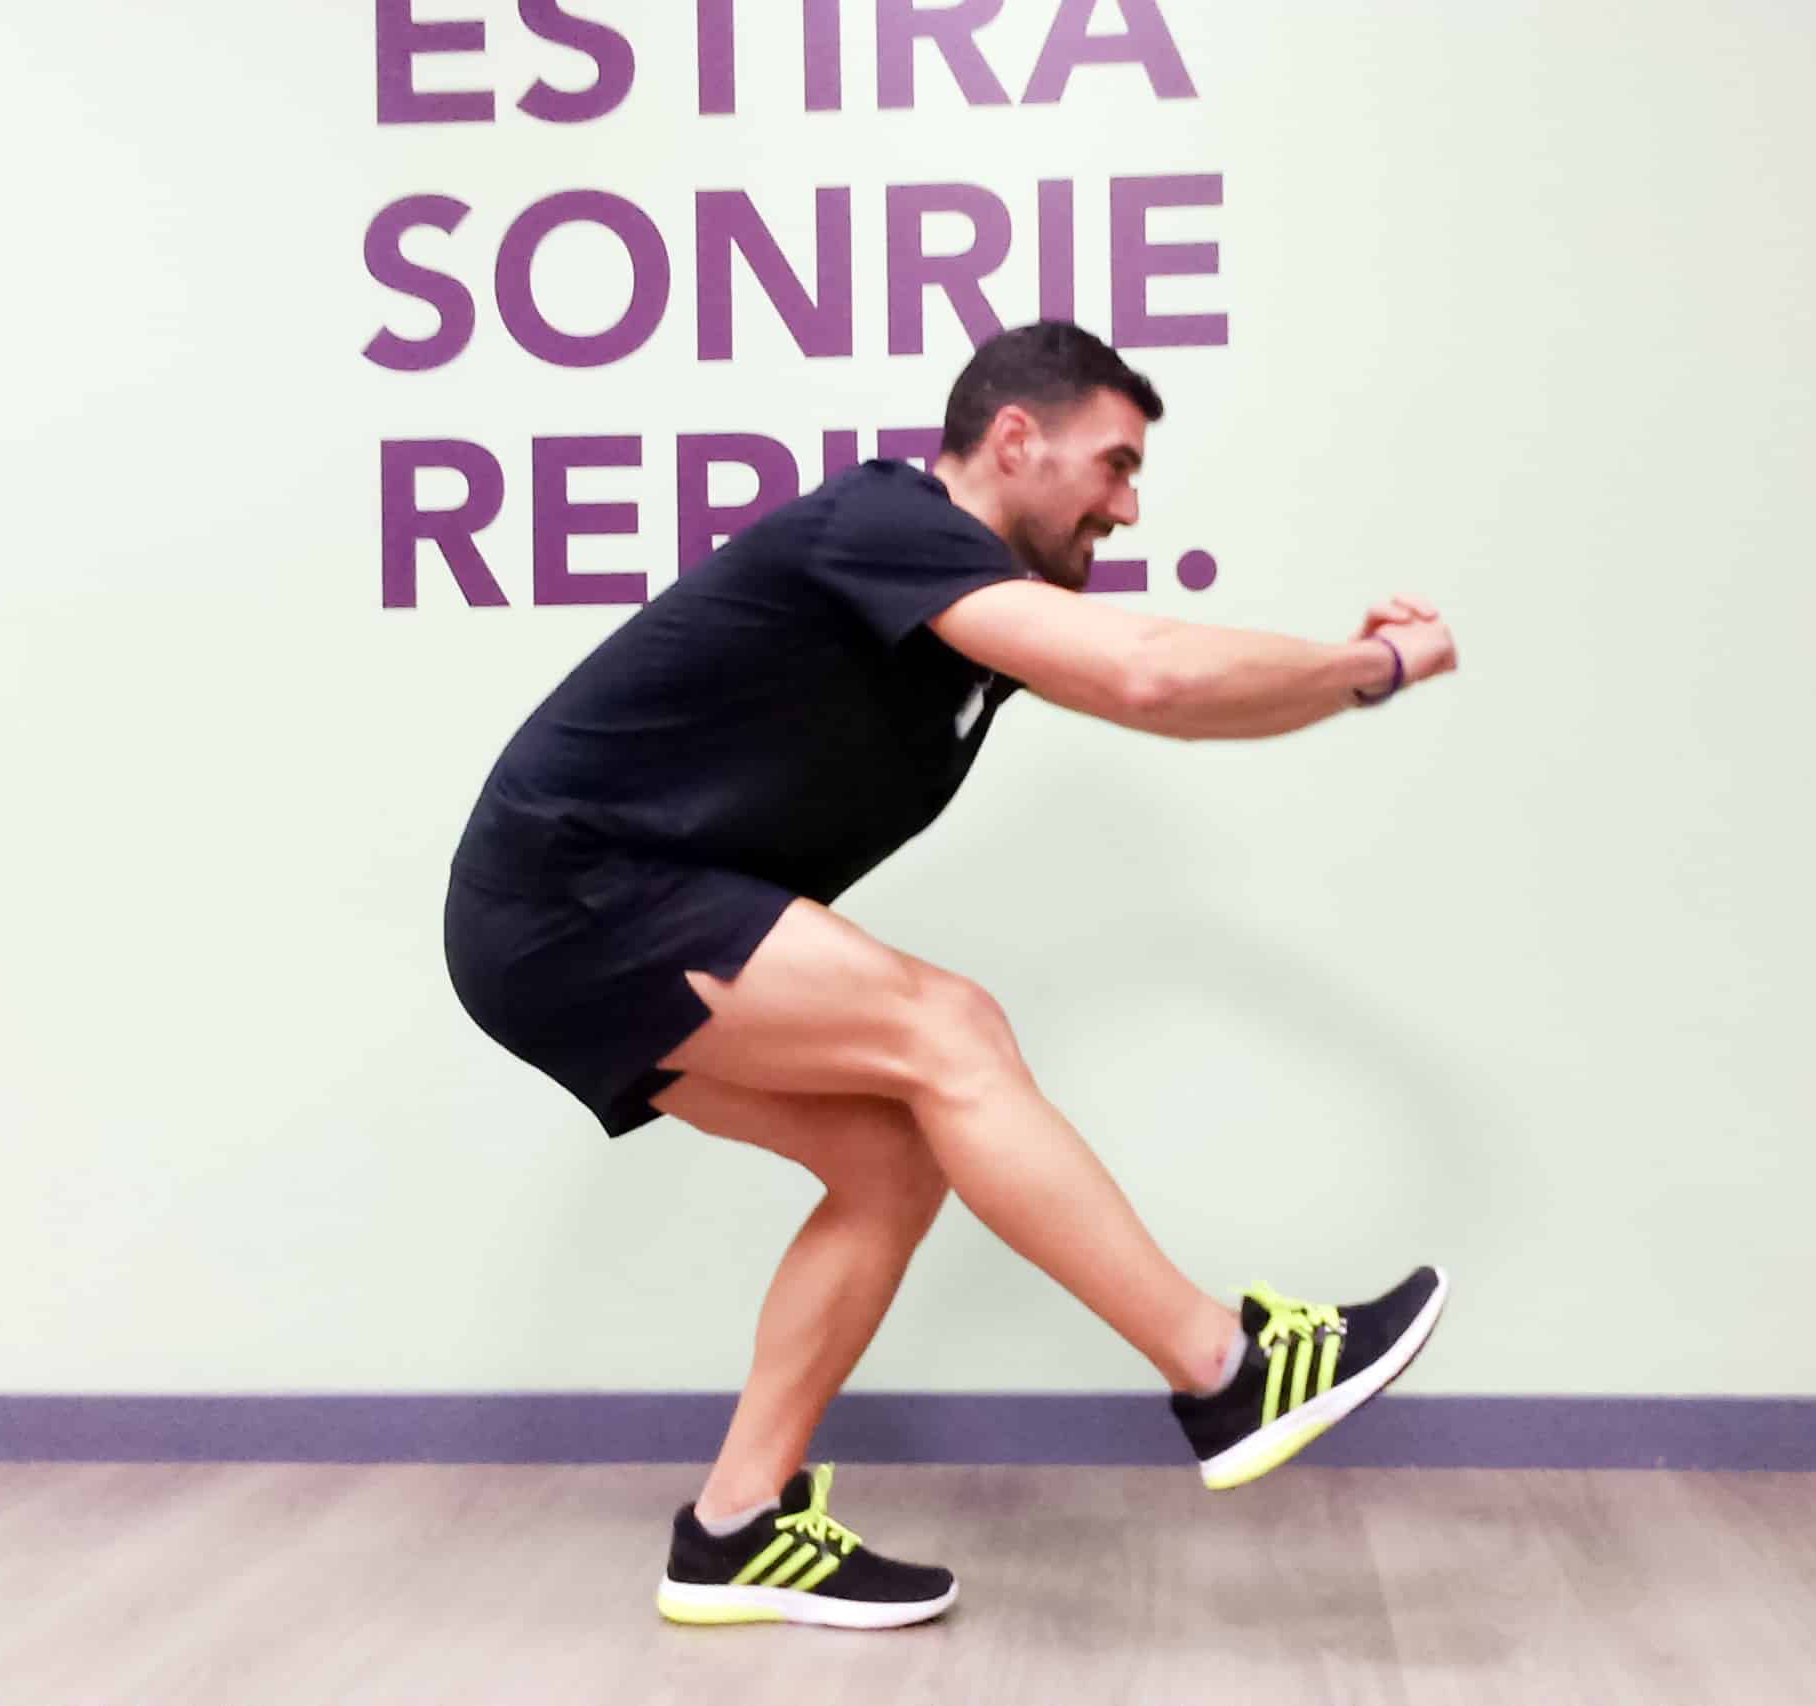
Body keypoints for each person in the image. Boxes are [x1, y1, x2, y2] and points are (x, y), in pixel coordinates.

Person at [442, 320, 1458, 1630]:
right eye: (1114, 464)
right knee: (951, 1028)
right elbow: (1149, 671)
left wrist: (1360, 680)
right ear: (1014, 439)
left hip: (572, 917)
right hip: (570, 890)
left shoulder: (966, 615)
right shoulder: (889, 521)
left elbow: (1183, 698)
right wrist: (1375, 662)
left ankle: (734, 1528)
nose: (1127, 507)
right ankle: (1227, 1369)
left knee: (891, 1158)